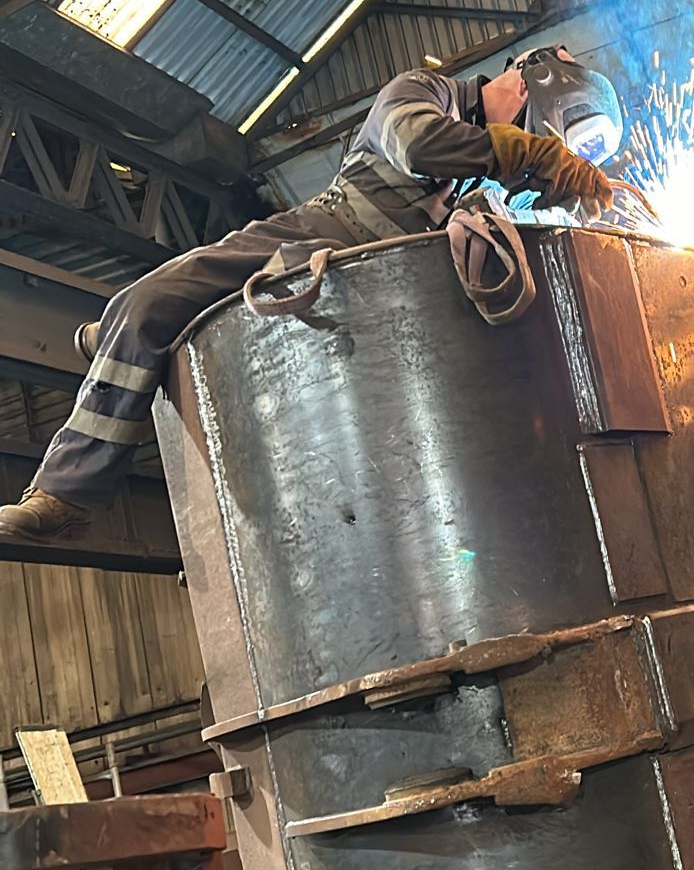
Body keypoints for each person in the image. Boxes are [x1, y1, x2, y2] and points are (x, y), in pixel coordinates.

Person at [0, 46, 621, 545]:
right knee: (144, 307)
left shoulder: (493, 181)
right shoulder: (420, 93)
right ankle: (69, 494)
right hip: (315, 238)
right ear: (527, 84)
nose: (534, 160)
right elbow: (420, 146)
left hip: (392, 310)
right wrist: (526, 155)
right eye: (538, 141)